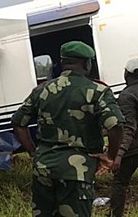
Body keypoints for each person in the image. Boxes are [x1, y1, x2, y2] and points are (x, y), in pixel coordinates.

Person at [11, 41, 124, 217]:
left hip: (43, 169)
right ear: (87, 64)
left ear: (63, 63)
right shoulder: (97, 91)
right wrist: (110, 155)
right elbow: (115, 125)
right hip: (77, 171)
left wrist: (33, 151)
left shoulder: (41, 90)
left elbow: (18, 122)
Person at [109, 58, 138, 217]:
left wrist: (118, 155)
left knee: (120, 183)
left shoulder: (126, 96)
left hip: (132, 149)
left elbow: (129, 127)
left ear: (128, 73)